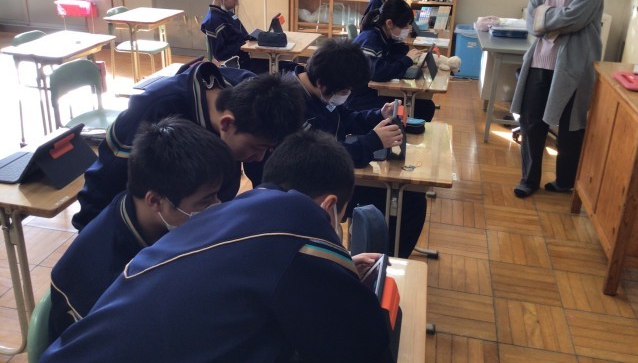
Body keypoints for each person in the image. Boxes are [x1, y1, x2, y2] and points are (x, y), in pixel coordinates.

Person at [40, 131, 391, 363]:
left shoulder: (238, 213)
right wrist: (334, 272)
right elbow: (365, 345)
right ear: (328, 208)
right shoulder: (299, 221)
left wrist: (330, 271)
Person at [49, 117, 235, 342]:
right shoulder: (104, 279)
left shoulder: (144, 213)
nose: (217, 206)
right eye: (206, 200)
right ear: (155, 201)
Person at [72, 61, 305, 230]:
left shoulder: (252, 97)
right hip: (157, 234)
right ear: (226, 123)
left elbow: (265, 177)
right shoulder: (154, 108)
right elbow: (104, 183)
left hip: (200, 223)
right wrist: (95, 243)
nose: (260, 157)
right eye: (257, 148)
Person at [285, 40, 427, 256]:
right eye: (345, 90)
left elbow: (345, 118)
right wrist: (373, 141)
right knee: (408, 201)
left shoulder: (319, 90)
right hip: (313, 187)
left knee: (410, 196)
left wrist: (378, 115)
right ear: (322, 83)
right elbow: (320, 157)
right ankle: (386, 262)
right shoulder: (291, 105)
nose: (347, 94)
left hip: (332, 171)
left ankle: (382, 257)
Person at [511, 0, 604, 198]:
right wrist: (548, 18)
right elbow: (531, 21)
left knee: (570, 126)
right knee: (531, 121)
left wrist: (544, 15)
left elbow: (577, 17)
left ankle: (565, 181)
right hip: (540, 60)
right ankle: (529, 179)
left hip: (573, 65)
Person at [348, 0, 436, 122]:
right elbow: (378, 73)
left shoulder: (384, 35)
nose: (408, 28)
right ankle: (404, 131)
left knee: (426, 106)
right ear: (389, 23)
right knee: (422, 109)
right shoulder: (370, 38)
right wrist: (407, 60)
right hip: (360, 98)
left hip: (374, 91)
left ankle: (407, 130)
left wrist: (400, 45)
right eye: (405, 25)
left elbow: (394, 56)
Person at [201, 0, 267, 73]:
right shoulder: (213, 20)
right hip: (240, 64)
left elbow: (241, 36)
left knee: (280, 62)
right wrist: (242, 44)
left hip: (248, 56)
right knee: (281, 66)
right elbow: (220, 55)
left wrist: (251, 38)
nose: (237, 3)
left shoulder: (228, 14)